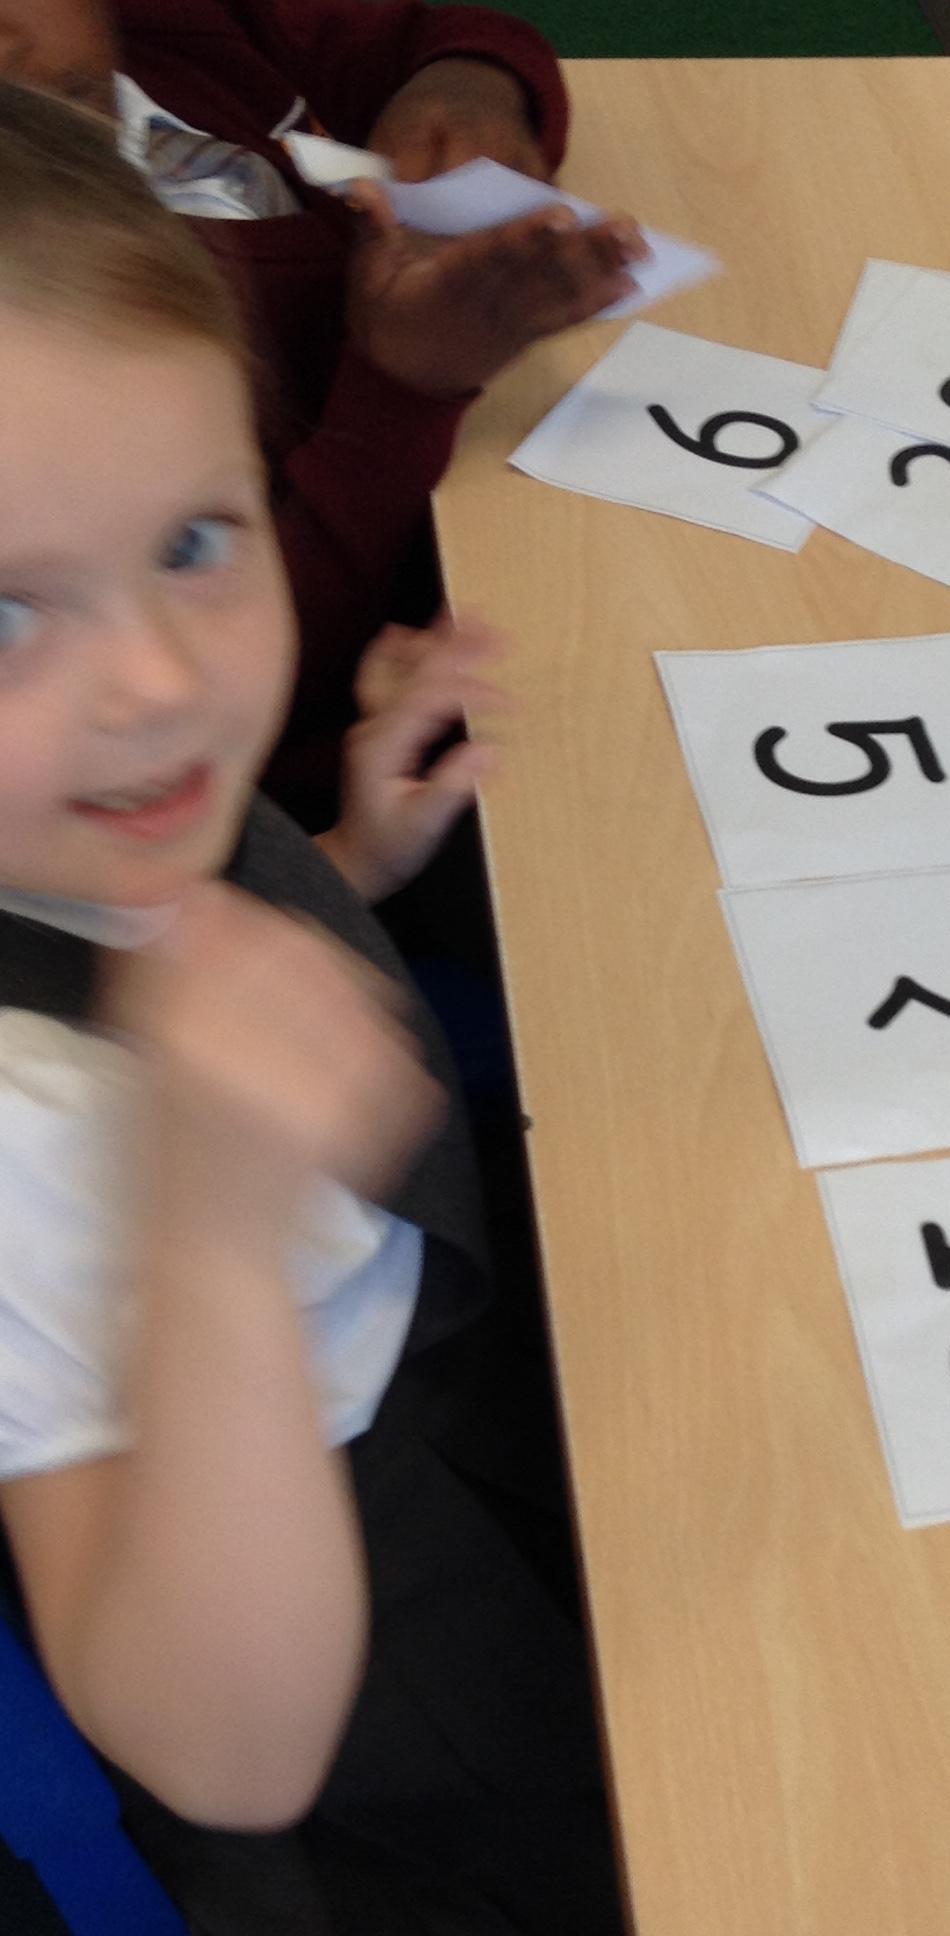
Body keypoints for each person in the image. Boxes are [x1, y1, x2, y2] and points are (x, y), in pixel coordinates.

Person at [0, 81, 624, 1934]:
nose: (160, 684)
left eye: (196, 542)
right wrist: (200, 1221)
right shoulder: (21, 1142)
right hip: (387, 1719)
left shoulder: (76, 814)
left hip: (473, 1402)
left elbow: (132, 936)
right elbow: (223, 1753)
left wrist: (342, 859)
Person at [0, 0, 647, 823]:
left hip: (468, 574)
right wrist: (403, 389)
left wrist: (466, 82)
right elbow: (216, 687)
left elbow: (408, 31)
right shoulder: (45, 340)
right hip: (346, 745)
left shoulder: (171, 32)